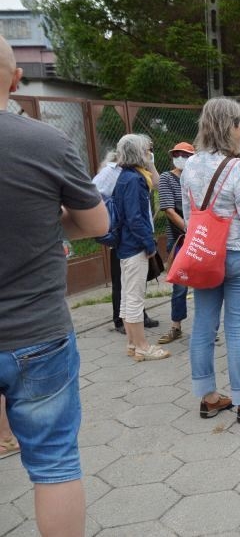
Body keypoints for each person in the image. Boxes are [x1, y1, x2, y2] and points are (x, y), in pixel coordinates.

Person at [1, 34, 109, 536]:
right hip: (37, 333)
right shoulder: (45, 143)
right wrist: (48, 224)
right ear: (16, 79)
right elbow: (96, 225)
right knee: (55, 464)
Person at [181, 97, 240, 424]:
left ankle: (209, 398)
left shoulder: (190, 165)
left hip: (204, 256)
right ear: (231, 127)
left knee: (203, 326)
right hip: (238, 257)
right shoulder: (239, 168)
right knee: (237, 330)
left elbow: (189, 216)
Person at [113, 133, 171, 362]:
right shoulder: (135, 179)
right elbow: (136, 218)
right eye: (147, 150)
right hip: (135, 245)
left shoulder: (125, 176)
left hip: (125, 245)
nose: (150, 154)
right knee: (135, 297)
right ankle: (142, 346)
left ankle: (131, 343)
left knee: (128, 297)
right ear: (138, 153)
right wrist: (149, 245)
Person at [93, 152, 160, 334]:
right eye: (145, 150)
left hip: (139, 235)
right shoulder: (114, 172)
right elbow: (93, 192)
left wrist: (151, 163)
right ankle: (122, 323)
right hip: (127, 238)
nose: (148, 153)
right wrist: (109, 213)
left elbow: (157, 184)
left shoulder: (139, 172)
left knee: (136, 284)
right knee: (123, 282)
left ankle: (138, 318)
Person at [157, 141, 194, 345]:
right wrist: (189, 229)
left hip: (199, 239)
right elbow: (169, 210)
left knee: (205, 284)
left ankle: (206, 328)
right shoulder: (166, 178)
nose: (181, 157)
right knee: (180, 286)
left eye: (186, 155)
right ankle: (176, 326)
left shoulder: (196, 178)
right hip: (179, 240)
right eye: (178, 154)